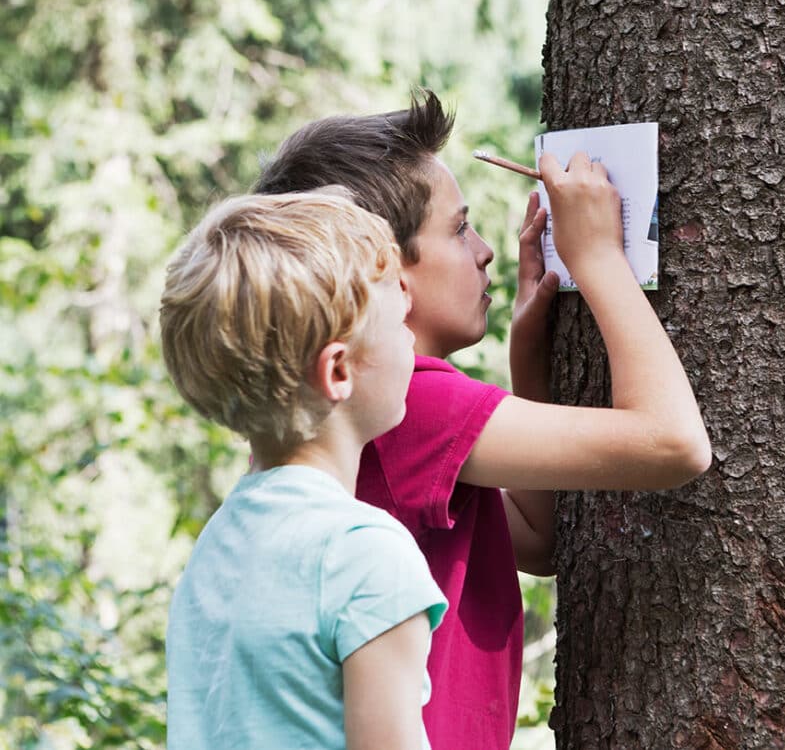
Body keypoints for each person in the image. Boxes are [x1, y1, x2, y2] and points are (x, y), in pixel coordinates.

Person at [254, 90, 712, 750]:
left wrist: (527, 353)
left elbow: (535, 539)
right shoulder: (415, 403)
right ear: (388, 273)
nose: (485, 250)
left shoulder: (351, 402)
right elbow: (675, 444)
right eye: (458, 228)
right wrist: (602, 259)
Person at [159, 191, 447, 750]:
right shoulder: (367, 555)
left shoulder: (217, 545)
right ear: (338, 370)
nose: (412, 337)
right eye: (400, 321)